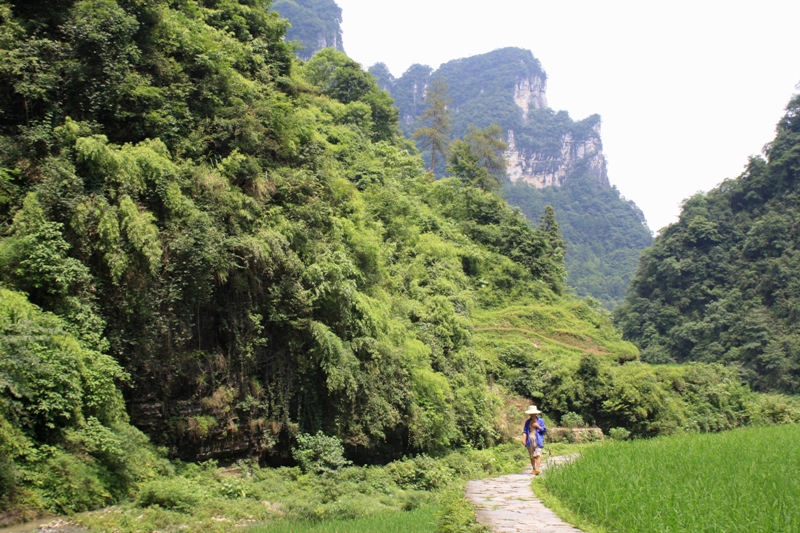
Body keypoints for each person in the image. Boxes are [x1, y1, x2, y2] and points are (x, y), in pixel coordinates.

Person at [522, 405, 546, 475]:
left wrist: (537, 426)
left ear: (536, 414)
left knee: (538, 454)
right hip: (530, 439)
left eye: (533, 413)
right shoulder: (527, 422)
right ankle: (533, 469)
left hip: (538, 439)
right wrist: (524, 439)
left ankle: (538, 469)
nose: (532, 415)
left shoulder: (540, 421)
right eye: (531, 413)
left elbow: (544, 430)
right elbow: (525, 431)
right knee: (531, 456)